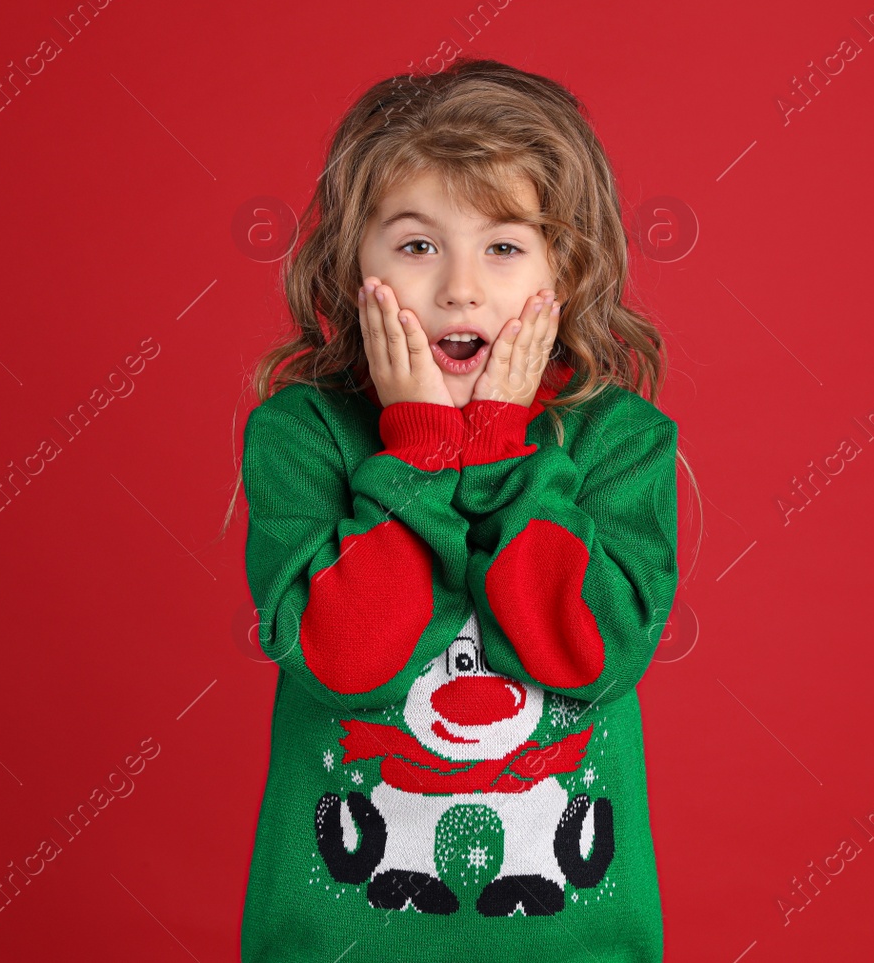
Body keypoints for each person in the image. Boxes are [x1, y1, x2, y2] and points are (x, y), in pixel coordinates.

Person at [223, 57, 700, 961]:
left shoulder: (619, 441)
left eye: (505, 246)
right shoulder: (304, 436)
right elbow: (349, 659)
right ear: (347, 261)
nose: (459, 287)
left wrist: (499, 449)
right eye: (415, 244)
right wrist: (418, 451)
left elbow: (582, 653)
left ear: (567, 267)